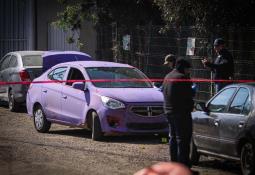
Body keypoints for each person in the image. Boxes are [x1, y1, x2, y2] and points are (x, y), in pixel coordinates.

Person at [162, 58, 194, 168]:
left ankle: (174, 162)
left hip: (168, 111)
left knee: (173, 137)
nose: (189, 71)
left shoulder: (167, 76)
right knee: (183, 139)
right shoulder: (182, 78)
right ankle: (183, 165)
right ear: (184, 68)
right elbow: (189, 95)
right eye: (188, 69)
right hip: (181, 113)